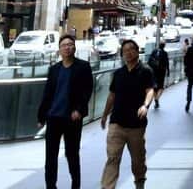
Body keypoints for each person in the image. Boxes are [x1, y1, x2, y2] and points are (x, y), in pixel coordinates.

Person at [37, 35, 93, 189]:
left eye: (70, 44)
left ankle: (75, 185)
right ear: (59, 49)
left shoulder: (83, 67)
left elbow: (87, 91)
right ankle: (50, 186)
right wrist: (41, 116)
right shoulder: (54, 69)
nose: (67, 47)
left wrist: (79, 110)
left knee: (72, 154)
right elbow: (47, 93)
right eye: (64, 45)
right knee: (50, 156)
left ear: (74, 47)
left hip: (72, 118)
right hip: (54, 117)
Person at [100, 40, 156, 189]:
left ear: (137, 51)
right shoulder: (118, 73)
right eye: (125, 50)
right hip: (116, 123)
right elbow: (112, 95)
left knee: (138, 160)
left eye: (132, 49)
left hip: (136, 125)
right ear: (122, 54)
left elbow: (150, 90)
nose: (128, 52)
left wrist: (145, 106)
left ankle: (139, 182)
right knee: (112, 159)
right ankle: (107, 187)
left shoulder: (146, 71)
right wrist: (105, 115)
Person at [147, 41, 170, 109]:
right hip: (161, 71)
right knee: (161, 87)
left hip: (154, 71)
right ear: (164, 46)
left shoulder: (154, 51)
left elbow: (149, 61)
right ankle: (157, 98)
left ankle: (156, 99)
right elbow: (167, 63)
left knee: (154, 87)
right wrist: (168, 71)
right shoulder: (165, 53)